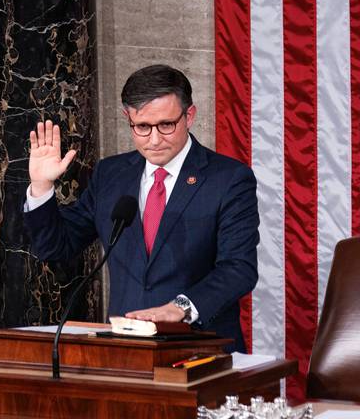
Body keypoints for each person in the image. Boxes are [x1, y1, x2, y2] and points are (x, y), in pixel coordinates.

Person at [23, 64, 259, 352]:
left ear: (190, 116)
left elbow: (239, 269)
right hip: (126, 350)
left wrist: (181, 307)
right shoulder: (111, 175)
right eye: (143, 127)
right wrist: (41, 187)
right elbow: (56, 247)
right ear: (128, 119)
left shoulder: (229, 179)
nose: (155, 139)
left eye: (166, 125)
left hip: (201, 349)